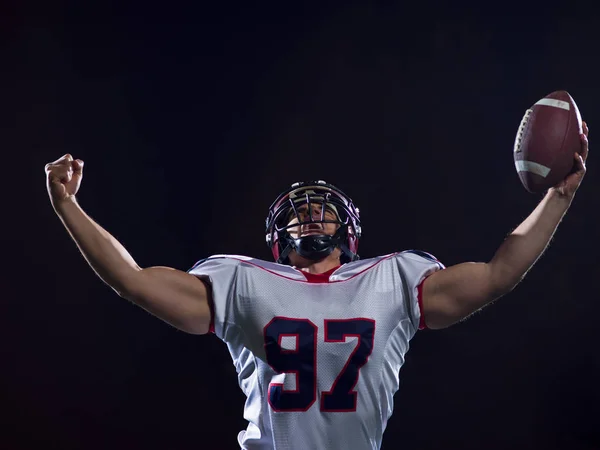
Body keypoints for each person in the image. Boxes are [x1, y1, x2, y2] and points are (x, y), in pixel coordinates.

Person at [45, 122, 588, 450]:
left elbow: (497, 275)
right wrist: (69, 208)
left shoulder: (393, 278)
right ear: (279, 235)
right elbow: (133, 281)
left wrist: (557, 198)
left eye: (321, 214)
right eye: (300, 215)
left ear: (346, 230)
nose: (310, 220)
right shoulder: (242, 280)